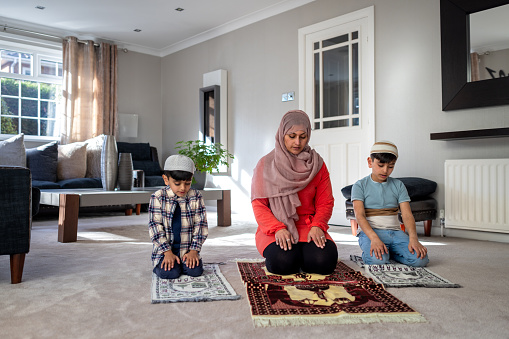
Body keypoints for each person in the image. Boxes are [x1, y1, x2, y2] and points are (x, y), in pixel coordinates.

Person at [251, 110, 338, 275]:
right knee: (283, 263)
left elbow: (325, 202)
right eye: (292, 136)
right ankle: (296, 254)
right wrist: (278, 228)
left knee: (323, 263)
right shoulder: (265, 164)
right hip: (276, 228)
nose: (297, 142)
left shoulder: (317, 164)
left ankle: (303, 253)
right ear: (282, 134)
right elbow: (259, 204)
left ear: (308, 136)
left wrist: (318, 226)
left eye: (302, 136)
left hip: (309, 225)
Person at [351, 141, 429, 267]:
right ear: (370, 162)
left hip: (395, 233)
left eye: (391, 166)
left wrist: (413, 239)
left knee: (421, 260)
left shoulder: (398, 185)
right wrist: (374, 238)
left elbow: (407, 215)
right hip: (372, 233)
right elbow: (360, 216)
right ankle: (382, 253)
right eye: (380, 165)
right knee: (378, 261)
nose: (385, 170)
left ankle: (390, 252)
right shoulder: (359, 186)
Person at [148, 154, 208, 279]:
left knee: (195, 271)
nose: (183, 188)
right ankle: (165, 263)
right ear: (166, 179)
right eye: (177, 183)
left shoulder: (196, 196)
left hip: (187, 250)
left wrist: (193, 251)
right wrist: (167, 253)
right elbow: (155, 228)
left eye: (187, 183)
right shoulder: (158, 197)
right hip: (165, 252)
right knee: (170, 273)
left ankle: (183, 262)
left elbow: (201, 225)